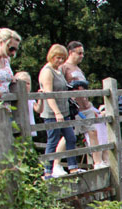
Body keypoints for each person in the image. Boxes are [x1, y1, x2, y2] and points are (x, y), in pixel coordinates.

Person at [60, 41, 107, 168]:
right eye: (79, 53)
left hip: (86, 106)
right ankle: (56, 163)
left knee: (93, 132)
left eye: (83, 53)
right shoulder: (64, 67)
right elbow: (60, 86)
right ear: (71, 53)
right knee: (68, 136)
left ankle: (98, 162)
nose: (82, 56)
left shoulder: (78, 69)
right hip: (74, 108)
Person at [38, 44, 79, 178]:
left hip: (64, 110)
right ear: (51, 56)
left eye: (62, 58)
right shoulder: (47, 71)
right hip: (52, 112)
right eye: (58, 58)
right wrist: (57, 112)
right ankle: (48, 171)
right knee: (53, 139)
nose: (60, 61)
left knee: (71, 138)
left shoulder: (58, 70)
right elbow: (48, 93)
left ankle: (73, 167)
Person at [10, 71, 40, 137]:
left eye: (28, 83)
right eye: (23, 83)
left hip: (29, 127)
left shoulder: (30, 98)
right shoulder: (12, 98)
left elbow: (38, 110)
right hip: (17, 127)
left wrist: (41, 98)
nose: (26, 86)